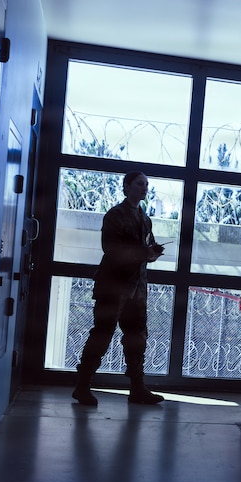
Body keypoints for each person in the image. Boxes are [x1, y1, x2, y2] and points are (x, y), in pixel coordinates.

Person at [73, 171, 165, 405]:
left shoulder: (145, 219)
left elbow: (145, 248)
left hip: (136, 288)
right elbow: (111, 249)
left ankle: (137, 388)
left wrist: (152, 252)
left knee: (137, 337)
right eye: (139, 184)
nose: (144, 188)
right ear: (126, 187)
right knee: (102, 334)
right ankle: (82, 385)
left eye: (146, 184)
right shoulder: (115, 215)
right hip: (113, 286)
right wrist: (144, 253)